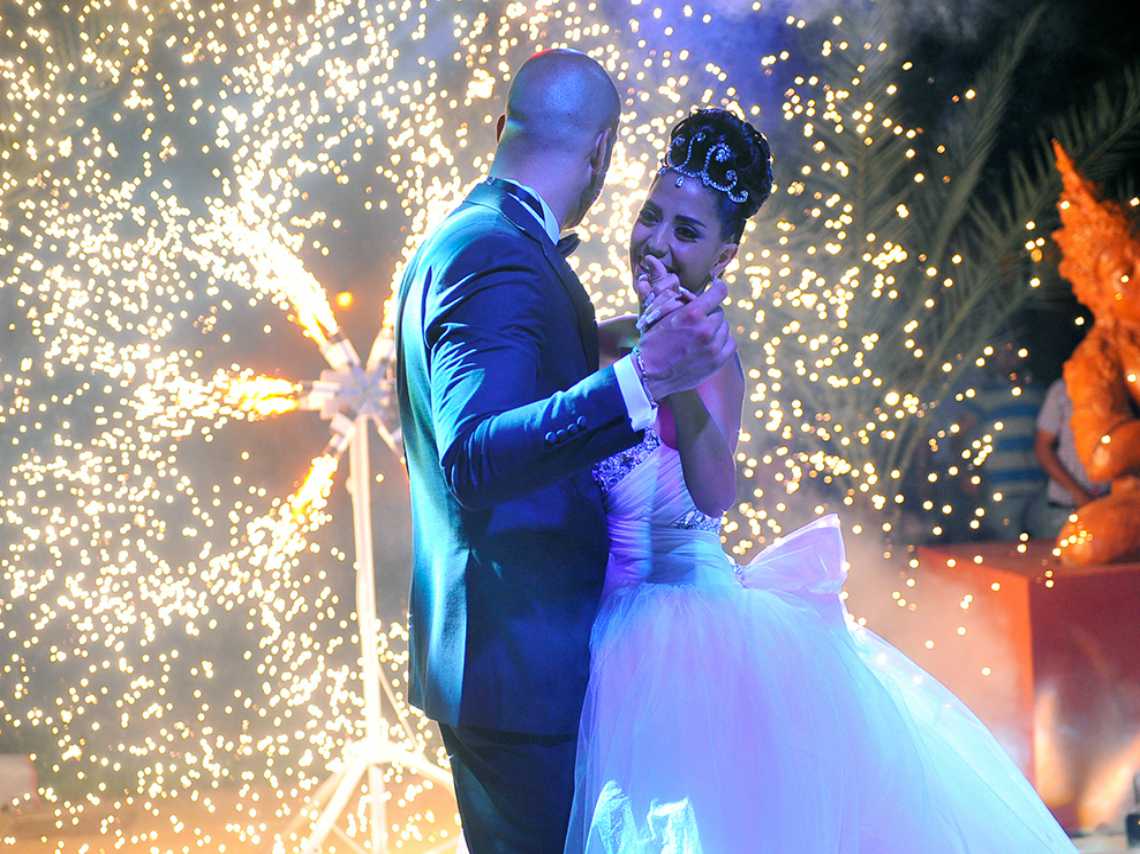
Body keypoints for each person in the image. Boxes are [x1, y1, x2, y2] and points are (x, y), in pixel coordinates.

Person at [564, 108, 1075, 852]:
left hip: (677, 631)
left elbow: (714, 494)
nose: (657, 242)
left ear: (725, 254)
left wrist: (671, 367)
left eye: (687, 231)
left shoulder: (713, 356)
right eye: (652, 217)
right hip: (604, 614)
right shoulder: (605, 338)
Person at [394, 51, 736, 852]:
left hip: (528, 662)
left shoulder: (477, 239)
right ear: (603, 151)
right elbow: (474, 455)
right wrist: (644, 377)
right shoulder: (496, 253)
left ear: (501, 127)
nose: (655, 239)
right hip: (523, 667)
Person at [1024, 376, 1109, 538]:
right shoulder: (1063, 390)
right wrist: (1079, 494)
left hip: (1109, 508)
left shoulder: (1117, 387)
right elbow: (1042, 448)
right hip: (1064, 510)